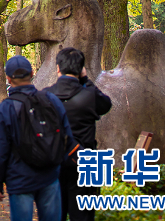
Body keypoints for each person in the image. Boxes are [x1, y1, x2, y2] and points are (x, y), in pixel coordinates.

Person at [0, 55, 78, 221]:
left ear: (8, 78)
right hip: (50, 176)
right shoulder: (51, 100)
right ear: (31, 73)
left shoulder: (5, 109)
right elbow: (67, 136)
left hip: (19, 180)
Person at [44, 47, 112, 221]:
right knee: (83, 216)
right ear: (81, 69)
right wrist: (86, 80)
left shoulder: (45, 96)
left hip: (54, 163)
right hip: (85, 163)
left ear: (58, 68)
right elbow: (106, 105)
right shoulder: (90, 95)